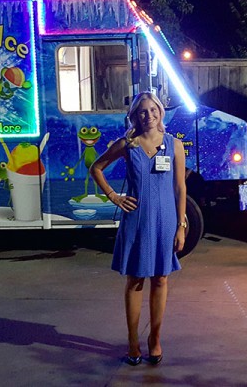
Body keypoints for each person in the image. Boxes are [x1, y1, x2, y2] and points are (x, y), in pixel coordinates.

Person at [90, 91, 187, 366]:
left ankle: (154, 339)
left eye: (153, 110)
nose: (149, 116)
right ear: (134, 116)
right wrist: (113, 196)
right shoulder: (127, 144)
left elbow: (180, 188)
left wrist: (181, 225)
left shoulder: (174, 145)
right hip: (136, 219)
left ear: (160, 112)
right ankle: (133, 342)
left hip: (166, 220)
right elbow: (96, 167)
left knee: (161, 279)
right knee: (134, 281)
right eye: (143, 112)